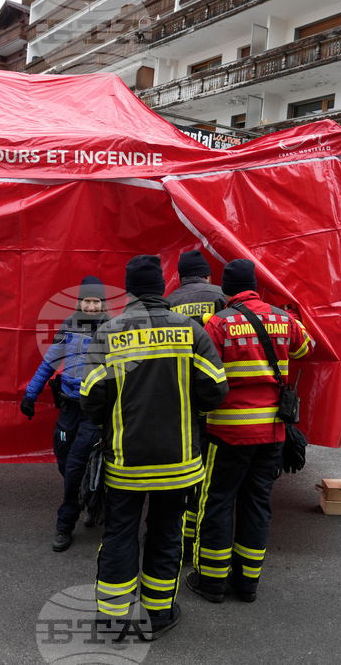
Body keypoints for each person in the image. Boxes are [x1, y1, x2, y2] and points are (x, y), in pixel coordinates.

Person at [81, 255, 228, 641]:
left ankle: (113, 619)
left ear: (128, 289)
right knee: (166, 535)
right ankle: (159, 615)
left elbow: (90, 398)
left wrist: (112, 423)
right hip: (180, 464)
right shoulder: (191, 331)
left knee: (119, 534)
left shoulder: (109, 333)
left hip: (125, 465)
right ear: (162, 288)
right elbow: (215, 390)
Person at [188, 258, 314, 604]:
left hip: (227, 432)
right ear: (254, 286)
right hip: (271, 432)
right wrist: (289, 316)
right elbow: (307, 348)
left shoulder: (217, 323)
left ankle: (211, 582)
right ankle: (248, 583)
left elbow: (201, 371)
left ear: (226, 289)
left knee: (217, 503)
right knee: (257, 505)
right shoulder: (281, 318)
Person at [21, 276, 110, 553]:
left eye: (96, 302)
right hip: (68, 407)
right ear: (80, 302)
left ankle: (64, 525)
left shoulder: (112, 329)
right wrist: (30, 394)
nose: (92, 306)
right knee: (63, 460)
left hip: (93, 411)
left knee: (74, 466)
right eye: (88, 301)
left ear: (102, 303)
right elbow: (49, 363)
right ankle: (91, 497)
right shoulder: (68, 326)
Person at [165, 249, 227, 556]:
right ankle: (200, 532)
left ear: (180, 275)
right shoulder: (222, 296)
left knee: (186, 461)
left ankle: (182, 533)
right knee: (211, 467)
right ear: (207, 274)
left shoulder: (171, 300)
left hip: (179, 392)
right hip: (213, 387)